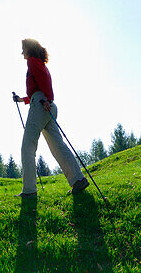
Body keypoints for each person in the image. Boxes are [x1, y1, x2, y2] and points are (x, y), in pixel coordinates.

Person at [13, 38, 88, 198]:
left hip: (41, 105)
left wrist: (46, 98)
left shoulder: (33, 62)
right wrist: (23, 100)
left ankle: (29, 190)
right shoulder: (39, 62)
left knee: (27, 146)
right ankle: (78, 180)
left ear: (29, 49)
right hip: (47, 106)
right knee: (57, 146)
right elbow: (37, 88)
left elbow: (44, 83)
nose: (21, 52)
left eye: (23, 49)